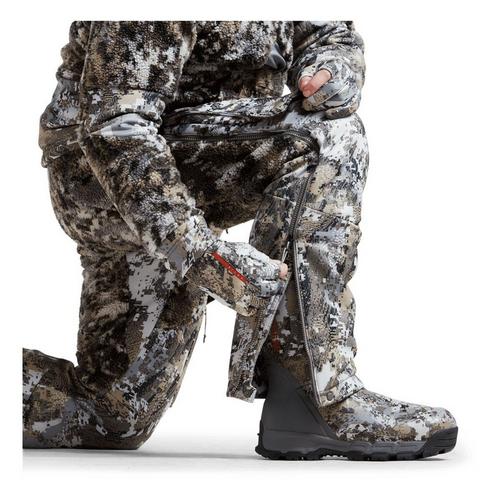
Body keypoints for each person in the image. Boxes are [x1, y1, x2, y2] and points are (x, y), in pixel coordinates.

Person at [23, 21, 458, 460]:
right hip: (103, 175)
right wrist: (201, 255)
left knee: (113, 414)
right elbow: (117, 126)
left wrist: (330, 70)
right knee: (325, 136)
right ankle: (316, 396)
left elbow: (328, 33)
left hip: (197, 161)